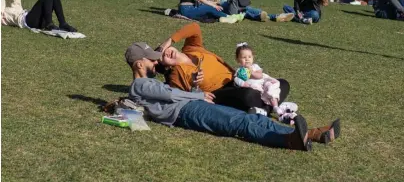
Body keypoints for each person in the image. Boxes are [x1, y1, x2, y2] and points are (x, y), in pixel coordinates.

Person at [125, 41, 341, 150]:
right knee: (237, 123)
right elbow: (170, 94)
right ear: (138, 64)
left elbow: (172, 94)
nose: (155, 62)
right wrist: (198, 97)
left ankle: (311, 134)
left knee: (250, 118)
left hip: (191, 107)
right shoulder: (139, 85)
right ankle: (288, 140)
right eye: (150, 60)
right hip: (185, 113)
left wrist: (194, 88)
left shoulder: (147, 83)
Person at [156, 22, 289, 116]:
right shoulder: (176, 74)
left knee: (283, 83)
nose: (166, 53)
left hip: (237, 78)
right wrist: (195, 86)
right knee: (248, 95)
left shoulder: (192, 48)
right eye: (163, 57)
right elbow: (178, 94)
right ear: (167, 66)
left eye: (164, 50)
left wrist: (169, 41)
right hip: (220, 92)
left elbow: (194, 27)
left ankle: (266, 108)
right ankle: (273, 104)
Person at [234, 43, 289, 121]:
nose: (247, 59)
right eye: (244, 57)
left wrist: (252, 72)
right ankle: (275, 107)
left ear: (253, 57)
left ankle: (276, 107)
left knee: (271, 88)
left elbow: (260, 76)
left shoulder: (255, 67)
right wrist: (243, 83)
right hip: (254, 89)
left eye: (249, 57)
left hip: (262, 84)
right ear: (238, 59)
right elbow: (236, 79)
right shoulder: (239, 71)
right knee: (253, 94)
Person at [1, 0, 77, 32]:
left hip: (33, 18)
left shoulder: (15, 5)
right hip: (28, 21)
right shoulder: (2, 15)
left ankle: (62, 23)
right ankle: (49, 23)